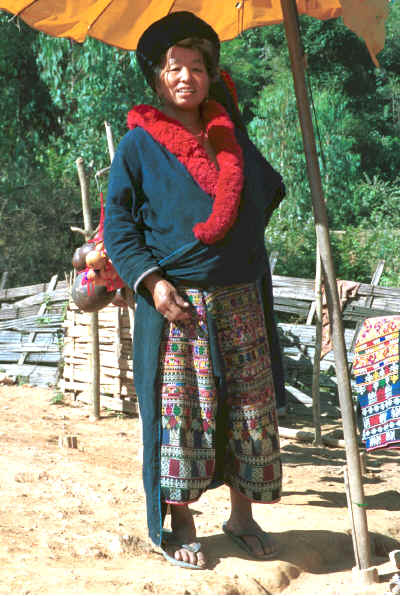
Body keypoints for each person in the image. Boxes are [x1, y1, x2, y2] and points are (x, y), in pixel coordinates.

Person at [104, 11, 286, 570]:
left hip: (240, 298)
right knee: (185, 417)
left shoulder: (228, 137)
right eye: (174, 67)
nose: (186, 77)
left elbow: (266, 194)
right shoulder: (137, 147)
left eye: (198, 68)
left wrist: (232, 143)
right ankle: (183, 522)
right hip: (178, 304)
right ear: (156, 78)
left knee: (248, 410)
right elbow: (119, 225)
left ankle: (243, 515)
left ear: (211, 75)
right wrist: (154, 284)